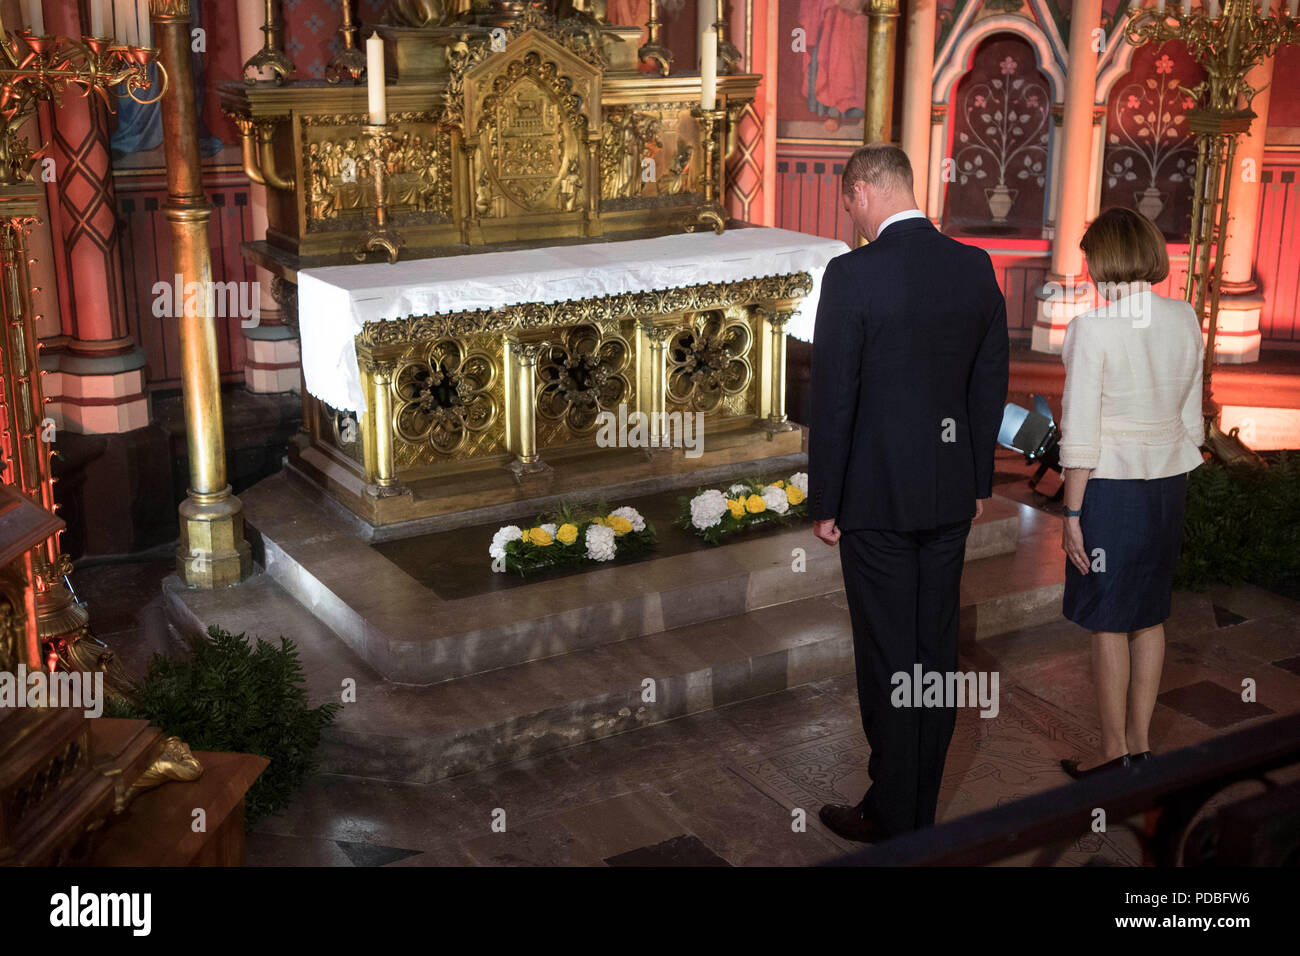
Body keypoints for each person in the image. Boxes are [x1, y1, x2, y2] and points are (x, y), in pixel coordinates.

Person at [808, 143, 1009, 842]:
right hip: (949, 497)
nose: (851, 216)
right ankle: (913, 809)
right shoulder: (974, 266)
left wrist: (825, 501)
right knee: (933, 656)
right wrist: (978, 480)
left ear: (863, 190)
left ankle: (896, 814)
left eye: (848, 202)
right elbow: (989, 386)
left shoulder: (852, 275)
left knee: (889, 659)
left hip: (874, 502)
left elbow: (835, 398)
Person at [1057, 207, 1204, 778]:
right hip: (1169, 482)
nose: (1088, 267)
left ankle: (1113, 753)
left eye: (1090, 256)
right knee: (1149, 614)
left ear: (1104, 259)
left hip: (1111, 490)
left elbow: (1081, 434)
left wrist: (1071, 512)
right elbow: (1192, 417)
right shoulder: (1183, 315)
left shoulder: (1093, 327)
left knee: (1108, 619)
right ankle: (1141, 748)